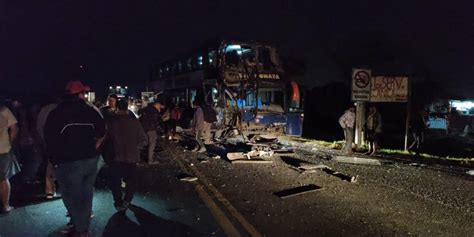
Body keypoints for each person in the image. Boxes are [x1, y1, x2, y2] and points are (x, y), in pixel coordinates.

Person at [44, 80, 105, 237]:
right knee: (86, 193)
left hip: (68, 161)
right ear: (79, 94)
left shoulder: (56, 113)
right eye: (83, 93)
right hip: (90, 159)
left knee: (70, 194)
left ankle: (80, 228)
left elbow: (49, 139)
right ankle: (81, 227)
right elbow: (102, 132)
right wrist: (95, 148)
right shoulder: (90, 111)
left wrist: (53, 159)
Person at [106, 99, 147, 211]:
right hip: (132, 156)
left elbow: (105, 137)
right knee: (131, 181)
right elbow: (143, 140)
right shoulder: (134, 122)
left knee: (115, 181)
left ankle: (118, 202)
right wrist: (136, 146)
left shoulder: (112, 122)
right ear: (127, 107)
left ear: (117, 108)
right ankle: (127, 200)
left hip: (116, 156)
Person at [37, 97, 61, 199]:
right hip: (62, 141)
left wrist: (43, 140)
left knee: (50, 164)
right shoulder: (62, 109)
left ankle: (50, 191)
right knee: (64, 165)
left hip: (49, 141)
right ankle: (65, 188)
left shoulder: (45, 109)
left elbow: (39, 126)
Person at [0, 103, 20, 214]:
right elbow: (14, 128)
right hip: (3, 149)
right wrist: (10, 142)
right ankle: (5, 205)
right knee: (3, 178)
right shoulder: (4, 109)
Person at [139, 100, 163, 165]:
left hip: (144, 128)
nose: (160, 107)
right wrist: (162, 119)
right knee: (152, 144)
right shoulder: (154, 111)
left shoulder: (147, 109)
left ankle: (142, 157)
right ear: (157, 105)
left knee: (146, 143)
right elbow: (155, 121)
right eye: (159, 106)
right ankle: (150, 160)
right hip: (151, 129)